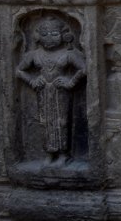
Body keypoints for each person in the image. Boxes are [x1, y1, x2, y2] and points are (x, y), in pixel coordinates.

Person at [16, 13, 86, 165]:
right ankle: (49, 152)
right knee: (45, 121)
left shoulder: (69, 54)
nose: (49, 38)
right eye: (45, 34)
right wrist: (32, 80)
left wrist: (70, 81)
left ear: (63, 35)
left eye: (54, 34)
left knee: (62, 121)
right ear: (38, 36)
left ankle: (63, 154)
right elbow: (19, 71)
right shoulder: (35, 55)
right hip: (44, 92)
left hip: (61, 92)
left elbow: (83, 69)